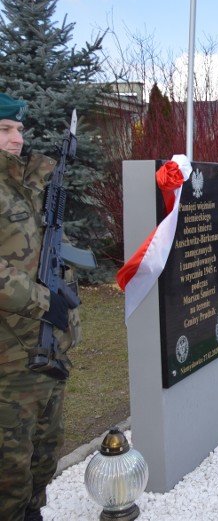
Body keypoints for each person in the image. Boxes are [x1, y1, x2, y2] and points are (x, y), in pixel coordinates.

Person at [0, 93, 82, 521]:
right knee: (7, 470)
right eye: (4, 130)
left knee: (44, 453)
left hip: (44, 350)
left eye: (19, 130)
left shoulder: (25, 186)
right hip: (8, 359)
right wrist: (43, 301)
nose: (18, 139)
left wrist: (64, 297)